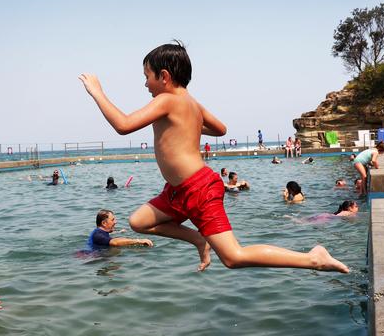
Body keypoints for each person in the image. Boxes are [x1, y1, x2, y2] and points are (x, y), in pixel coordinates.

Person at [79, 41, 347, 273]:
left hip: (199, 189)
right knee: (139, 222)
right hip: (177, 191)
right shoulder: (191, 103)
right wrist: (188, 124)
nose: (145, 83)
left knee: (233, 257)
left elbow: (124, 125)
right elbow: (221, 129)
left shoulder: (167, 99)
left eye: (146, 76)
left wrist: (97, 92)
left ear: (163, 76)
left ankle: (313, 258)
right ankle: (198, 239)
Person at [87, 210, 154, 249]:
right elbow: (115, 242)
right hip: (94, 257)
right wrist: (139, 241)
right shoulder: (98, 235)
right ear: (104, 223)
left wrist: (119, 232)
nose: (115, 222)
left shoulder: (98, 232)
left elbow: (105, 237)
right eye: (112, 220)